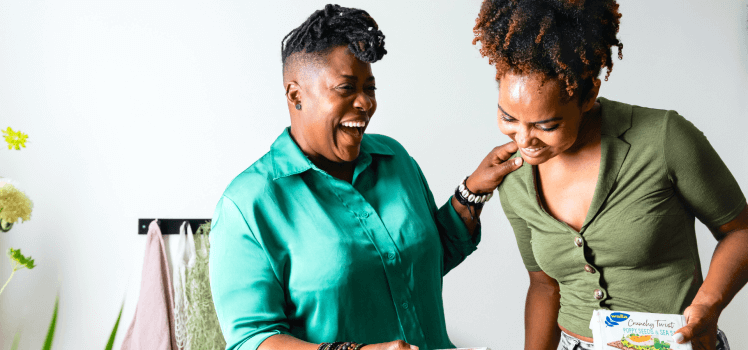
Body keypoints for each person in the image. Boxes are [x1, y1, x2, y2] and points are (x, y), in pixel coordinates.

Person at [208, 4, 523, 350]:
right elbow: (252, 340)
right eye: (346, 89)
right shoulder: (248, 205)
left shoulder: (395, 159)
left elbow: (420, 264)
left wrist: (471, 193)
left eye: (369, 88)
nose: (366, 104)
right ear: (296, 95)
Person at [470, 1, 748, 350]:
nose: (524, 140)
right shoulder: (513, 179)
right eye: (508, 118)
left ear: (588, 96)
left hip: (674, 343)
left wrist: (709, 304)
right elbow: (544, 285)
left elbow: (740, 231)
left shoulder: (664, 138)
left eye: (547, 125)